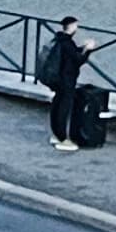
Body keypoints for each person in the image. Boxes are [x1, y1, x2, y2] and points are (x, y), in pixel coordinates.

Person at [42, 15, 92, 151]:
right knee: (63, 109)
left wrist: (83, 48)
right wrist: (88, 50)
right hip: (67, 80)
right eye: (76, 25)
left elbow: (72, 53)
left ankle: (57, 134)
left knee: (57, 105)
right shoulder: (68, 43)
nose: (77, 28)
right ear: (71, 26)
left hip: (58, 79)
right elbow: (78, 60)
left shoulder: (60, 40)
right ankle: (63, 138)